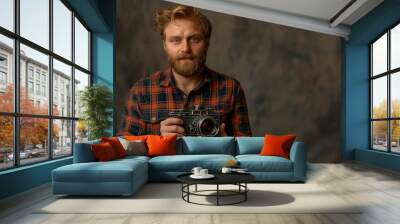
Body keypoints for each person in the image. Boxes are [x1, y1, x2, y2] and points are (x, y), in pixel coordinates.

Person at [120, 5, 252, 137]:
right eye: (176, 40)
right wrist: (159, 140)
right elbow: (126, 149)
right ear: (165, 45)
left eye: (194, 39)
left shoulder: (230, 89)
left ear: (207, 42)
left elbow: (245, 154)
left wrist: (224, 143)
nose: (185, 48)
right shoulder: (141, 92)